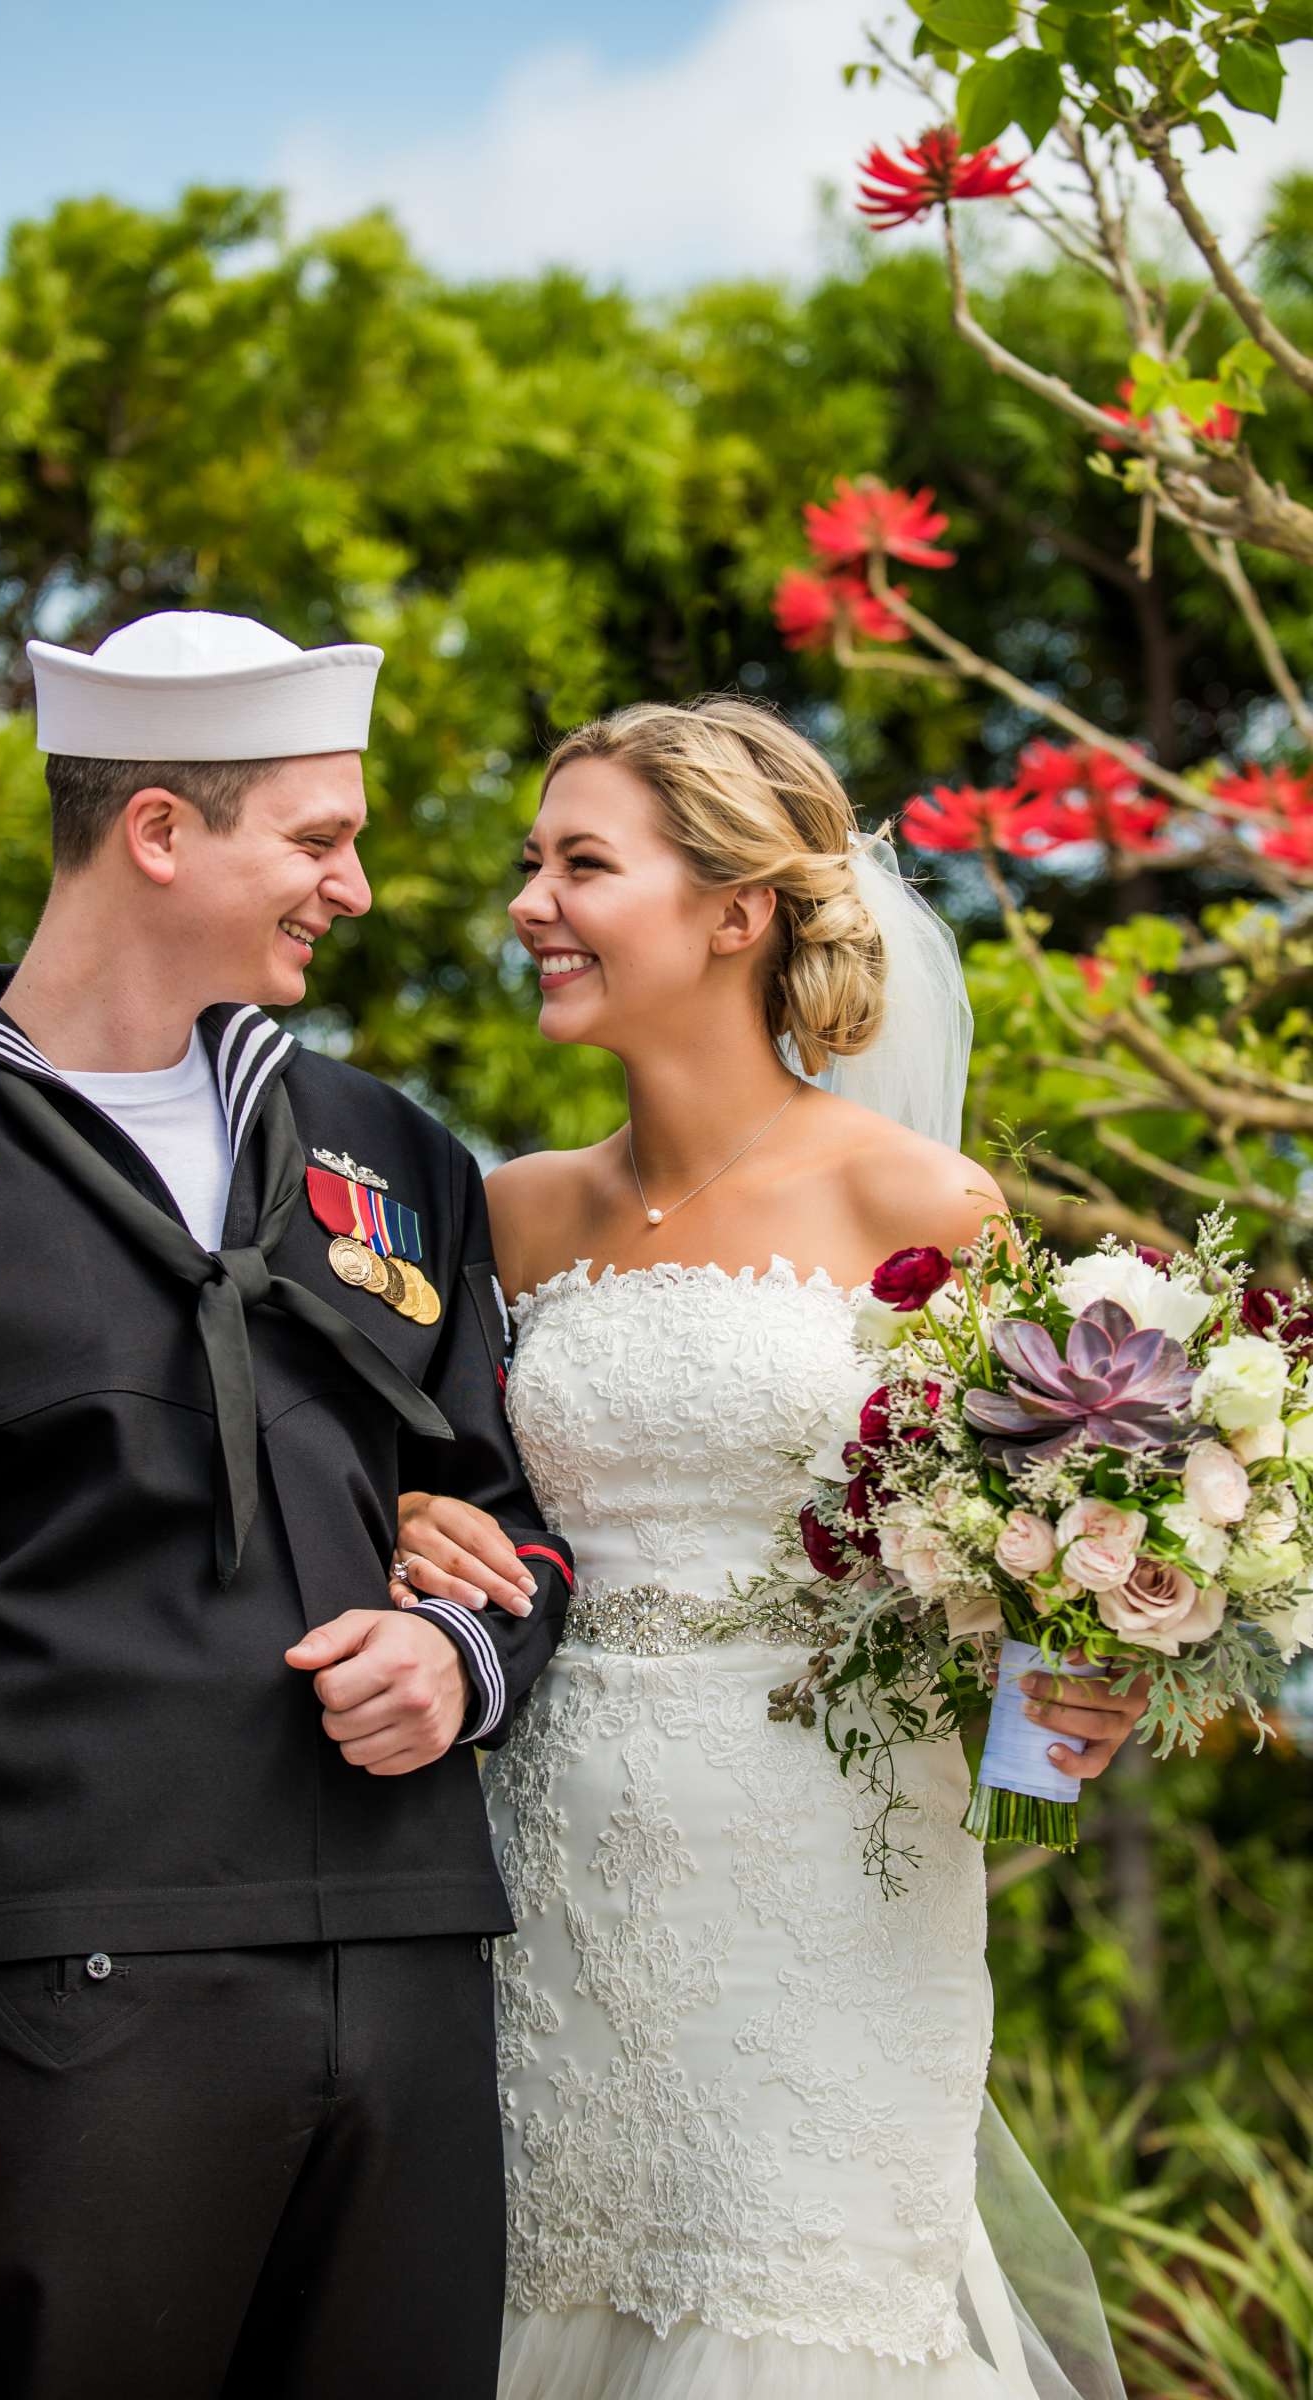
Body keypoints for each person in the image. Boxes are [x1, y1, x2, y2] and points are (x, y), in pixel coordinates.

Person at [0, 609, 573, 2400]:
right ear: (161, 830)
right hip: (72, 1995)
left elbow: (513, 1528)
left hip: (412, 1974)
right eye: (318, 840)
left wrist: (459, 1659)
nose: (356, 884)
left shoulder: (396, 1155)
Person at [388, 696, 1136, 2399]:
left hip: (832, 1889)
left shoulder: (925, 1210)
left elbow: (1045, 1575)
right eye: (532, 861)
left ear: (737, 911)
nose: (531, 903)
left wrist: (1060, 1734)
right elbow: (450, 1504)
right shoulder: (507, 1213)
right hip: (540, 1872)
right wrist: (414, 1526)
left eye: (585, 863)